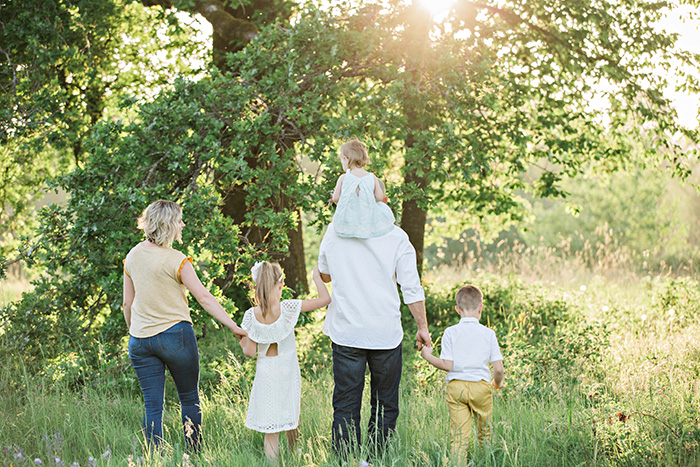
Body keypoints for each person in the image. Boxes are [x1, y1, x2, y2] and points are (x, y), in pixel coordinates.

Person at [122, 200, 247, 451]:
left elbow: (127, 304)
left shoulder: (132, 256)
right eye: (179, 220)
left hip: (139, 340)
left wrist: (134, 331)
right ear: (168, 224)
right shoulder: (177, 260)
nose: (183, 224)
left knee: (152, 405)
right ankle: (195, 454)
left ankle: (154, 457)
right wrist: (233, 326)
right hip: (175, 336)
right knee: (189, 398)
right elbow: (204, 298)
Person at [318, 219, 430, 456]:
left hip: (347, 331)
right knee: (385, 404)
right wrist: (422, 326)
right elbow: (411, 287)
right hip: (384, 332)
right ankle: (375, 459)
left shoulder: (334, 230)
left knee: (346, 404)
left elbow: (325, 274)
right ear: (383, 200)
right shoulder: (397, 236)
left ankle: (346, 461)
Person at [239, 262, 331, 461]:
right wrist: (316, 277)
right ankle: (293, 456)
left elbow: (249, 352)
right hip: (287, 371)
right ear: (280, 285)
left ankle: (273, 463)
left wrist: (242, 339)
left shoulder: (251, 316)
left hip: (265, 373)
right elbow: (325, 300)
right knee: (291, 415)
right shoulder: (288, 308)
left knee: (271, 429)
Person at [420, 284, 504, 459]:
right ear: (481, 308)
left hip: (456, 388)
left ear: (457, 310)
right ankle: (486, 461)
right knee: (485, 432)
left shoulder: (450, 333)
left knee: (458, 437)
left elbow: (447, 365)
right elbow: (498, 368)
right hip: (481, 388)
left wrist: (428, 356)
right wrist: (497, 383)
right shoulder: (489, 334)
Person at [331, 138, 395, 238]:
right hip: (366, 219)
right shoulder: (371, 177)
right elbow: (379, 197)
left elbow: (335, 198)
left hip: (349, 218)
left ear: (345, 159)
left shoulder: (343, 178)